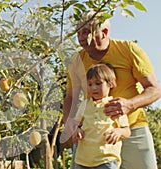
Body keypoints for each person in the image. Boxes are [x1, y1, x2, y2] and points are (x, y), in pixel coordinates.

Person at [62, 10, 161, 169]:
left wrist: (129, 104)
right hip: (90, 135)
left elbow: (154, 89)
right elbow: (70, 98)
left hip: (131, 127)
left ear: (104, 32)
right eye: (78, 32)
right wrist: (71, 127)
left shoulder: (129, 50)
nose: (80, 37)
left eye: (86, 32)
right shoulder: (76, 61)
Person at [72, 63, 131, 169]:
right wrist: (77, 130)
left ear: (110, 84)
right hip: (83, 160)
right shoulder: (84, 105)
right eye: (90, 84)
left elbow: (127, 131)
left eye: (98, 83)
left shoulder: (115, 105)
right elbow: (76, 125)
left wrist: (119, 131)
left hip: (106, 159)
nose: (94, 88)